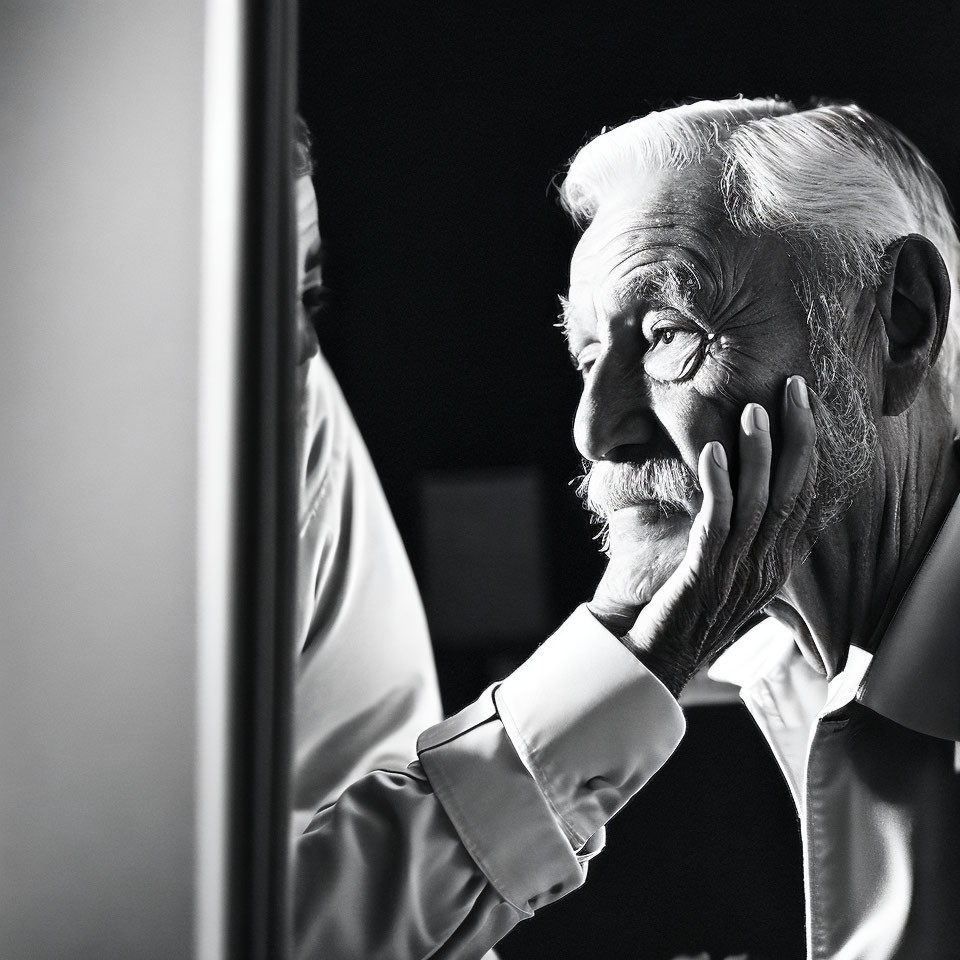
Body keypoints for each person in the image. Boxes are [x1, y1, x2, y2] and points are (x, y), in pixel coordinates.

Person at [292, 98, 960, 960]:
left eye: (666, 334)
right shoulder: (781, 681)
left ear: (899, 324)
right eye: (584, 356)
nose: (593, 428)